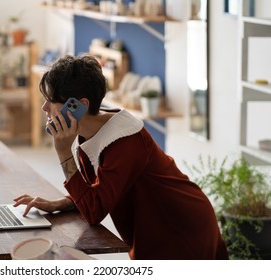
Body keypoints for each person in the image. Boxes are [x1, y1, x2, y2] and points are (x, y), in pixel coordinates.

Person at [13, 55, 229, 260]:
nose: (44, 107)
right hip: (157, 230)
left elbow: (94, 211)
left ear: (80, 106)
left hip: (180, 232)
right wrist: (62, 203)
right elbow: (97, 190)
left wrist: (63, 153)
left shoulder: (124, 141)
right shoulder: (91, 133)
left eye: (51, 100)